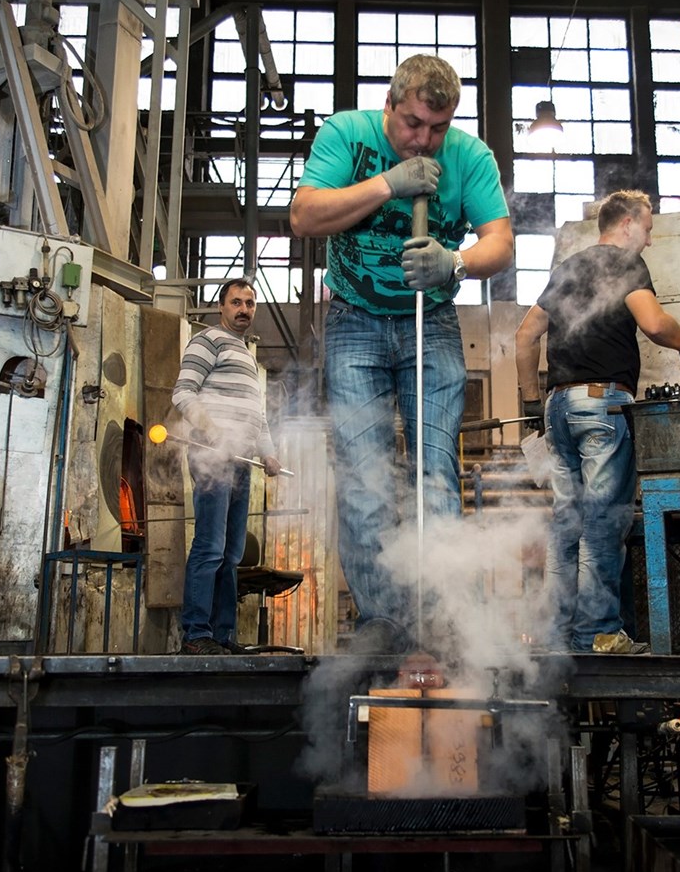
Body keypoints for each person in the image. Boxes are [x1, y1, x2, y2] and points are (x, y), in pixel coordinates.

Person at [291, 54, 514, 654]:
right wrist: (391, 183)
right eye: (413, 123)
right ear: (389, 105)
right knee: (364, 480)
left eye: (438, 128)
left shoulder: (470, 157)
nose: (425, 140)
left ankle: (438, 620)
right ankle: (381, 622)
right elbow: (304, 215)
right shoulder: (348, 134)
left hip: (430, 323)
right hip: (353, 322)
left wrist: (456, 261)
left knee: (434, 476)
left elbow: (500, 241)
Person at [514, 191, 680, 654]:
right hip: (602, 405)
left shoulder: (566, 270)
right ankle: (598, 634)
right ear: (626, 224)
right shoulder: (625, 264)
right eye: (648, 229)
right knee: (602, 523)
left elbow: (524, 337)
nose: (649, 240)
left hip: (558, 408)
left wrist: (532, 402)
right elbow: (655, 324)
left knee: (567, 524)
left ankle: (558, 635)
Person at [171, 278, 283, 656]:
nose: (243, 309)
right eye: (236, 302)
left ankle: (222, 635)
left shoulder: (247, 355)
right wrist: (213, 432)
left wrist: (268, 453)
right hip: (213, 458)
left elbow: (257, 415)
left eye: (249, 304)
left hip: (240, 462)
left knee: (232, 554)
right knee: (210, 547)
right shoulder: (207, 341)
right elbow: (183, 393)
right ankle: (195, 634)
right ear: (221, 307)